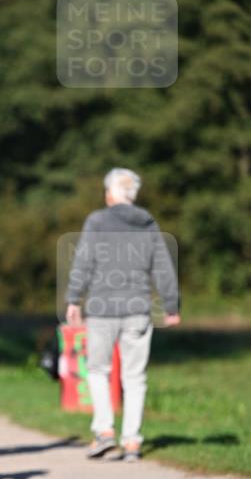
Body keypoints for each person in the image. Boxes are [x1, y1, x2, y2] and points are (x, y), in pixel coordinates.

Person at [65, 167, 180, 462]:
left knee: (98, 370)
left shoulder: (97, 221)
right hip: (137, 309)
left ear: (110, 194)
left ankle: (104, 432)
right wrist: (171, 304)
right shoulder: (148, 223)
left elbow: (84, 260)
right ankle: (132, 442)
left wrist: (73, 299)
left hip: (102, 309)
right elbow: (162, 265)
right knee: (135, 377)